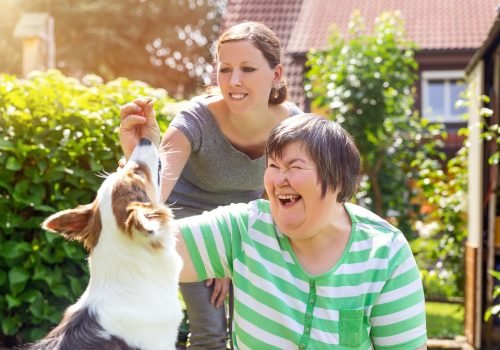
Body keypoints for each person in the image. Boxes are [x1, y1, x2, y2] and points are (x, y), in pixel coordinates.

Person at [123, 113, 428, 349]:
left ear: (337, 180)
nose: (279, 179)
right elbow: (141, 249)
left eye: (294, 166)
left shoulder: (385, 254)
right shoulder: (245, 228)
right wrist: (141, 158)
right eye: (273, 165)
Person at [120, 21, 303, 349]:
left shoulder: (292, 126)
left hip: (250, 223)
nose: (234, 81)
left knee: (263, 329)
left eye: (247, 69)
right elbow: (157, 191)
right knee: (211, 328)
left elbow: (281, 193)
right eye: (225, 69)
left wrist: (234, 251)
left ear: (276, 75)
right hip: (188, 222)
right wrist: (139, 154)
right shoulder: (194, 120)